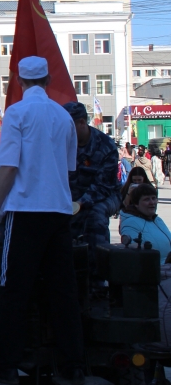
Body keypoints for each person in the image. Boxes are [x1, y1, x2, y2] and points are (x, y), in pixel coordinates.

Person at [0, 56, 84, 385]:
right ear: (48, 77)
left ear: (19, 81)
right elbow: (68, 169)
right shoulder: (63, 115)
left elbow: (8, 166)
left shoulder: (16, 113)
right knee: (63, 292)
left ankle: (7, 365)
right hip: (58, 212)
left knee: (15, 290)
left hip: (25, 211)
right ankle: (73, 366)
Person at [63, 101, 121, 279]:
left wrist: (78, 204)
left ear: (82, 123)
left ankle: (99, 280)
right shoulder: (61, 144)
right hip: (72, 199)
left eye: (69, 126)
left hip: (105, 195)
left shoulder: (105, 146)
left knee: (95, 217)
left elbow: (103, 185)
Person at [119, 183, 171, 263]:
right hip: (154, 270)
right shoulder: (130, 222)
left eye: (154, 198)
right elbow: (133, 252)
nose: (152, 202)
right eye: (147, 199)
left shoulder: (157, 220)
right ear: (136, 204)